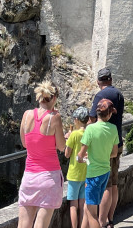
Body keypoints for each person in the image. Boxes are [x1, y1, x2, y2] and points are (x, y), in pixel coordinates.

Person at [18, 80, 66, 228]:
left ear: (39, 97)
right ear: (54, 98)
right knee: (41, 225)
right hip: (49, 178)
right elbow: (62, 147)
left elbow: (25, 144)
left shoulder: (26, 115)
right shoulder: (54, 118)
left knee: (23, 225)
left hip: (29, 178)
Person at [89, 68, 125, 228]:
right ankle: (110, 218)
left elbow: (92, 118)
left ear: (99, 81)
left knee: (106, 185)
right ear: (110, 79)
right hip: (116, 142)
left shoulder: (100, 96)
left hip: (102, 145)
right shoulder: (118, 94)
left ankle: (102, 221)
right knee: (114, 183)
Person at [78, 98, 120, 228]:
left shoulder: (90, 129)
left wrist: (80, 158)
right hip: (105, 172)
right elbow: (114, 153)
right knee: (88, 207)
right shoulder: (113, 129)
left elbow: (81, 153)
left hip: (93, 174)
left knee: (92, 213)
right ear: (109, 114)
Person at [64, 106, 91, 228]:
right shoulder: (90, 133)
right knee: (82, 204)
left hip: (74, 174)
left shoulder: (74, 134)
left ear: (77, 120)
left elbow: (67, 154)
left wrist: (67, 139)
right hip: (86, 173)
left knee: (73, 205)